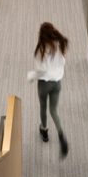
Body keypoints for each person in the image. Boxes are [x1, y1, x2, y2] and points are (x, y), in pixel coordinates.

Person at [27, 22, 69, 157]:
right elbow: (63, 62)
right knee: (54, 110)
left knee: (43, 107)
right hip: (57, 83)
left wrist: (31, 76)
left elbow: (41, 70)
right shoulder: (59, 44)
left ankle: (44, 131)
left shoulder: (41, 50)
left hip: (44, 84)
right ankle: (61, 134)